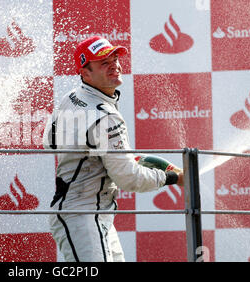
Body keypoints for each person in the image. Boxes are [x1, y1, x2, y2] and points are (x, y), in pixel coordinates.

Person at [43, 36, 184, 262]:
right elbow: (129, 179)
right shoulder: (105, 117)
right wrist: (173, 178)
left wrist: (101, 153)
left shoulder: (72, 97)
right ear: (85, 73)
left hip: (91, 212)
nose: (115, 66)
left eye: (115, 58)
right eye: (104, 63)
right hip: (83, 215)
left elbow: (49, 142)